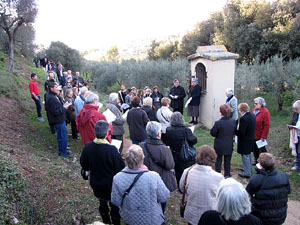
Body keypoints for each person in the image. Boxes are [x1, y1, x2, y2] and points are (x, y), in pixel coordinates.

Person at [111, 145, 170, 225]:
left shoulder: (117, 178)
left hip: (130, 219)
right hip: (152, 219)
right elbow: (164, 197)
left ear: (126, 160)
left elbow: (116, 201)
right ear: (142, 160)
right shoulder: (153, 176)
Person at [80, 121, 125, 225]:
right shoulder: (112, 150)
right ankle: (115, 222)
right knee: (114, 205)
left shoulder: (88, 146)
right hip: (110, 184)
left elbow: (84, 164)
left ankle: (105, 221)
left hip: (96, 181)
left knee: (102, 202)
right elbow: (120, 168)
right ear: (107, 134)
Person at [179, 145, 224, 225]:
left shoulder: (187, 172)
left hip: (192, 215)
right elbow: (222, 197)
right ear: (213, 159)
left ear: (197, 157)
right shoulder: (218, 177)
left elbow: (182, 189)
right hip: (210, 216)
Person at [140, 121, 176, 212]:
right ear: (158, 134)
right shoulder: (164, 149)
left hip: (145, 179)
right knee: (161, 201)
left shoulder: (141, 146)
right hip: (161, 179)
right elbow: (170, 165)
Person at [246, 153, 291, 225]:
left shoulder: (256, 179)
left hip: (261, 217)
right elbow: (288, 191)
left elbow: (246, 195)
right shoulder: (284, 176)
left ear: (261, 165)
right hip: (280, 216)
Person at [165, 112, 197, 184]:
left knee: (177, 169)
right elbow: (193, 140)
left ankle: (180, 184)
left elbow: (166, 141)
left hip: (173, 152)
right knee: (186, 170)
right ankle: (186, 184)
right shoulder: (186, 130)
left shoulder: (168, 129)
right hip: (184, 153)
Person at [210, 104, 237, 178]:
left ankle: (218, 174)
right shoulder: (233, 122)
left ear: (220, 112)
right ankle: (227, 174)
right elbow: (235, 132)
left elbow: (212, 133)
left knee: (218, 160)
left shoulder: (218, 123)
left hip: (219, 144)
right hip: (229, 143)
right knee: (227, 160)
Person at [46, 82, 70, 157]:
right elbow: (55, 111)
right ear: (51, 88)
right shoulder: (51, 98)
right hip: (58, 121)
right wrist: (64, 108)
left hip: (60, 120)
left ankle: (64, 151)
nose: (57, 89)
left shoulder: (54, 96)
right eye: (56, 87)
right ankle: (63, 153)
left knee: (63, 136)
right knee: (62, 137)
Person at [236, 103, 256, 178]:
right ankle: (248, 168)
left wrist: (235, 131)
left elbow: (241, 132)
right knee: (248, 155)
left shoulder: (243, 118)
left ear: (241, 110)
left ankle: (247, 172)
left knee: (245, 156)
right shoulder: (252, 115)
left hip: (245, 140)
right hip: (250, 138)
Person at [251, 97, 270, 164]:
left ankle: (267, 162)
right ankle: (256, 160)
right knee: (254, 149)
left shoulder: (265, 112)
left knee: (262, 150)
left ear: (261, 104)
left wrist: (263, 136)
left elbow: (266, 125)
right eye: (254, 103)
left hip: (260, 134)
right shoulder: (253, 111)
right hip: (253, 133)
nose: (254, 105)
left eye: (256, 103)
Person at [289, 100, 300, 171]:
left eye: (297, 109)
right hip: (296, 134)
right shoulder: (296, 114)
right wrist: (291, 126)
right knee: (297, 151)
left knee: (299, 151)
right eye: (295, 109)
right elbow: (293, 121)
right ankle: (297, 165)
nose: (296, 110)